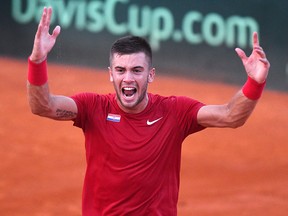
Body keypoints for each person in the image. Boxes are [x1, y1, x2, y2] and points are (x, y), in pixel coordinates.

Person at [27, 7, 270, 216]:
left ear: (150, 75)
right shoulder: (93, 107)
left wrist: (255, 82)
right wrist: (37, 61)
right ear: (111, 74)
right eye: (120, 70)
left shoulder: (175, 111)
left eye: (137, 70)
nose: (128, 78)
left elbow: (230, 116)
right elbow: (44, 106)